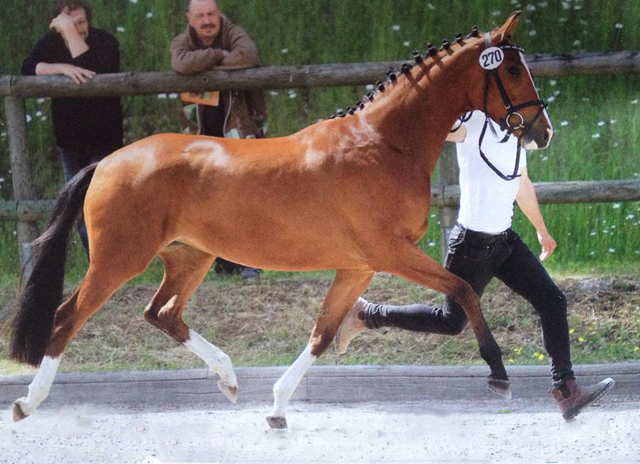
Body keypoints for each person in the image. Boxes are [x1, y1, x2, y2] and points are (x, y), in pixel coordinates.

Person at [337, 111, 615, 421]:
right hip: (470, 246)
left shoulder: (516, 135)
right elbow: (436, 122)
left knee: (552, 300)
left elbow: (522, 183)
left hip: (504, 242)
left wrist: (542, 230)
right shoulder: (472, 123)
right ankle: (366, 314)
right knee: (451, 322)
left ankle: (566, 391)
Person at [171, 0, 267, 280]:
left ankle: (251, 261)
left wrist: (203, 62)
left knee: (246, 197)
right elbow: (181, 63)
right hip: (200, 136)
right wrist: (219, 56)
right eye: (200, 15)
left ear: (218, 14)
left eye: (211, 14)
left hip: (237, 133)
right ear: (190, 18)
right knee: (208, 203)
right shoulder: (182, 41)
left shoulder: (234, 31)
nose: (207, 20)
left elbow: (248, 55)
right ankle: (223, 262)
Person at [21, 0, 123, 257]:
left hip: (105, 139)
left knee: (104, 203)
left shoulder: (106, 42)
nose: (78, 30)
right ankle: (95, 264)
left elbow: (90, 67)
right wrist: (60, 68)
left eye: (81, 23)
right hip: (69, 141)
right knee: (77, 206)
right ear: (57, 26)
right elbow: (27, 68)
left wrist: (69, 32)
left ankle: (110, 262)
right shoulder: (50, 44)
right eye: (70, 25)